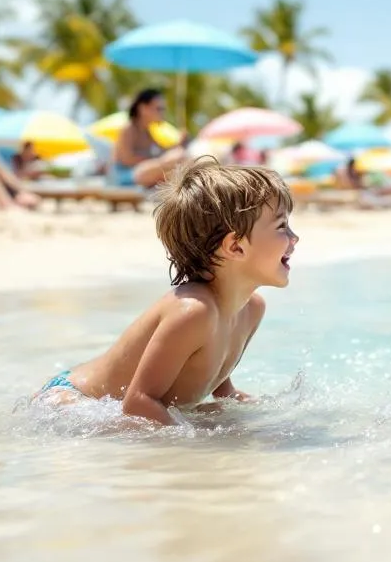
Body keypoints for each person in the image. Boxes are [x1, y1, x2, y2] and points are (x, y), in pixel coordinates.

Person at [34, 157, 298, 426]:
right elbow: (138, 403)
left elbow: (219, 385)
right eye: (281, 227)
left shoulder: (251, 309)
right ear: (235, 247)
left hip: (115, 405)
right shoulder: (193, 312)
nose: (294, 238)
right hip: (71, 402)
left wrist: (267, 413)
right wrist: (195, 447)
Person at [113, 88, 185, 188]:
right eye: (159, 108)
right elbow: (126, 159)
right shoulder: (129, 129)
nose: (162, 112)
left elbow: (161, 152)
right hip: (124, 176)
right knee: (168, 163)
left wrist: (178, 144)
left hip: (140, 173)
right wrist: (157, 161)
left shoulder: (147, 132)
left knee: (179, 159)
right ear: (143, 108)